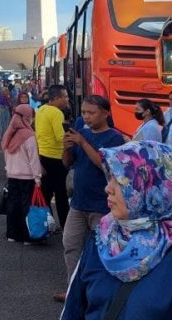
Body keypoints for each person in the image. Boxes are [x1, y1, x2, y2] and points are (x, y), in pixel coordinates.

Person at [62, 141, 172, 319]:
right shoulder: (103, 237)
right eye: (109, 178)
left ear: (155, 188)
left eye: (119, 180)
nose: (107, 188)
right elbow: (73, 310)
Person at [55, 95, 126, 302]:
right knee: (70, 245)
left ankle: (100, 293)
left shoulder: (114, 138)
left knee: (103, 251)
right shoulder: (81, 134)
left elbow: (105, 165)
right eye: (84, 112)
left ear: (105, 113)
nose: (86, 117)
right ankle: (73, 290)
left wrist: (83, 142)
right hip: (78, 202)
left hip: (102, 205)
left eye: (91, 113)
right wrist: (66, 147)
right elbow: (67, 163)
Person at [2, 104, 41, 243]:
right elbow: (34, 159)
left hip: (12, 175)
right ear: (27, 118)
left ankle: (12, 234)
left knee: (13, 204)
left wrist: (9, 169)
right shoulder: (28, 135)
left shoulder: (9, 133)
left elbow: (6, 154)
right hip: (27, 176)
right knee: (26, 206)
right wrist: (38, 177)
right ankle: (27, 236)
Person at [35, 84, 70, 229]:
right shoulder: (56, 113)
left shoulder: (41, 109)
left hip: (43, 155)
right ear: (56, 98)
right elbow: (60, 137)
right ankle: (66, 226)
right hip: (56, 157)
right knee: (61, 195)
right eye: (65, 96)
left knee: (46, 194)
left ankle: (47, 224)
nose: (67, 100)